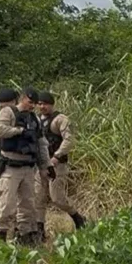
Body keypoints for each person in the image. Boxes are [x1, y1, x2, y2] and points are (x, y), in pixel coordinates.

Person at [0, 87, 48, 244]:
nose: (33, 106)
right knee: (7, 205)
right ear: (22, 99)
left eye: (35, 103)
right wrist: (19, 131)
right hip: (11, 166)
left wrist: (46, 166)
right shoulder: (9, 113)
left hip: (28, 167)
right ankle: (0, 237)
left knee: (28, 204)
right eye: (30, 102)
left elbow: (42, 144)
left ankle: (24, 237)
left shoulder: (34, 119)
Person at [35, 91, 87, 236]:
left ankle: (78, 218)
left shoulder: (60, 119)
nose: (42, 106)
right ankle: (40, 230)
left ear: (51, 104)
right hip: (41, 165)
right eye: (39, 104)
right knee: (38, 197)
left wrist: (57, 155)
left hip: (57, 164)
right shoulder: (36, 120)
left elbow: (69, 140)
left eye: (45, 104)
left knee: (57, 197)